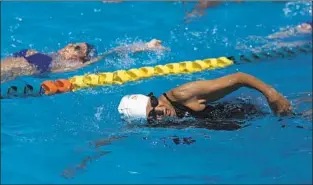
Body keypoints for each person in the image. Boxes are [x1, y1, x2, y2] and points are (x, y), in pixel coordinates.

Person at [118, 72, 292, 129]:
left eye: (154, 103)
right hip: (241, 125)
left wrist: (272, 94)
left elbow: (239, 78)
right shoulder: (160, 124)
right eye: (152, 117)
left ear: (152, 96)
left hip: (251, 113)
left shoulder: (183, 94)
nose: (160, 111)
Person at [0, 39, 168, 83]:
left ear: (81, 60)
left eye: (78, 48)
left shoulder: (70, 65)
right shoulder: (50, 55)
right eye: (74, 44)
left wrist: (146, 46)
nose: (71, 45)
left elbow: (111, 54)